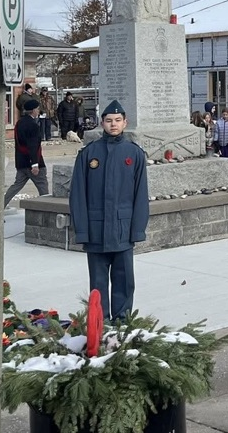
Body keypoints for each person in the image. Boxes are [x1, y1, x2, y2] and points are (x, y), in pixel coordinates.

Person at [69, 100, 149, 322]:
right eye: (108, 121)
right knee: (98, 283)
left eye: (117, 120)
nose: (113, 125)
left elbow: (140, 196)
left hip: (123, 231)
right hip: (96, 231)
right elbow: (78, 195)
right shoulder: (89, 154)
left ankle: (122, 324)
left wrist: (137, 230)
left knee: (124, 282)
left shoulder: (134, 154)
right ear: (101, 123)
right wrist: (82, 231)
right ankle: (100, 324)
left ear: (125, 122)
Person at [4, 98, 49, 208]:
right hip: (33, 163)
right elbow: (33, 145)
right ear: (33, 110)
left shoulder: (19, 123)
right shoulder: (33, 125)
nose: (38, 111)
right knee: (43, 188)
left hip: (21, 162)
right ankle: (47, 210)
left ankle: (0, 206)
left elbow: (19, 143)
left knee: (16, 186)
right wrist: (35, 164)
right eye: (38, 109)